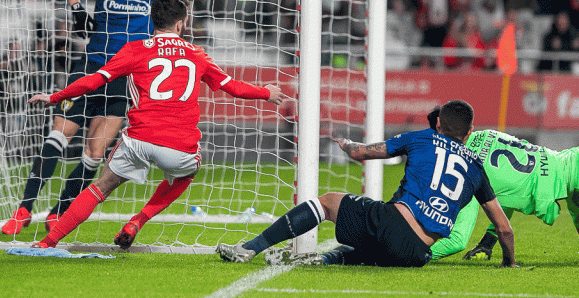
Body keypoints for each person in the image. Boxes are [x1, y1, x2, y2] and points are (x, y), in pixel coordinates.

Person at [25, 0, 283, 249]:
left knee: (100, 187)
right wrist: (266, 93)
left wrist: (55, 96)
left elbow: (94, 80)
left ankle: (48, 241)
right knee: (186, 174)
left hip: (139, 139)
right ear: (181, 24)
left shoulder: (135, 49)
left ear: (152, 21)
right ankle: (138, 220)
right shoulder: (197, 54)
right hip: (179, 146)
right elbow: (233, 88)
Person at [2, 0, 208, 235]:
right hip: (90, 67)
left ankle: (57, 212)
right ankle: (24, 209)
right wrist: (76, 11)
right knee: (58, 137)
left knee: (95, 154)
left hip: (122, 79)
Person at [217, 100, 517, 268]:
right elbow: (504, 228)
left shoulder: (422, 136)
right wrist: (508, 263)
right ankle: (323, 260)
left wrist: (347, 144)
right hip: (417, 254)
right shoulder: (477, 169)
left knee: (328, 201)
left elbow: (363, 153)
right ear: (470, 131)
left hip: (392, 225)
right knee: (374, 248)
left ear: (438, 123)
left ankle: (250, 248)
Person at [428, 108, 579, 260]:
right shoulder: (487, 134)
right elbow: (506, 192)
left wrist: (416, 255)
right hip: (570, 162)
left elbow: (457, 241)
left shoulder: (466, 171)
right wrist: (487, 243)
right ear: (469, 130)